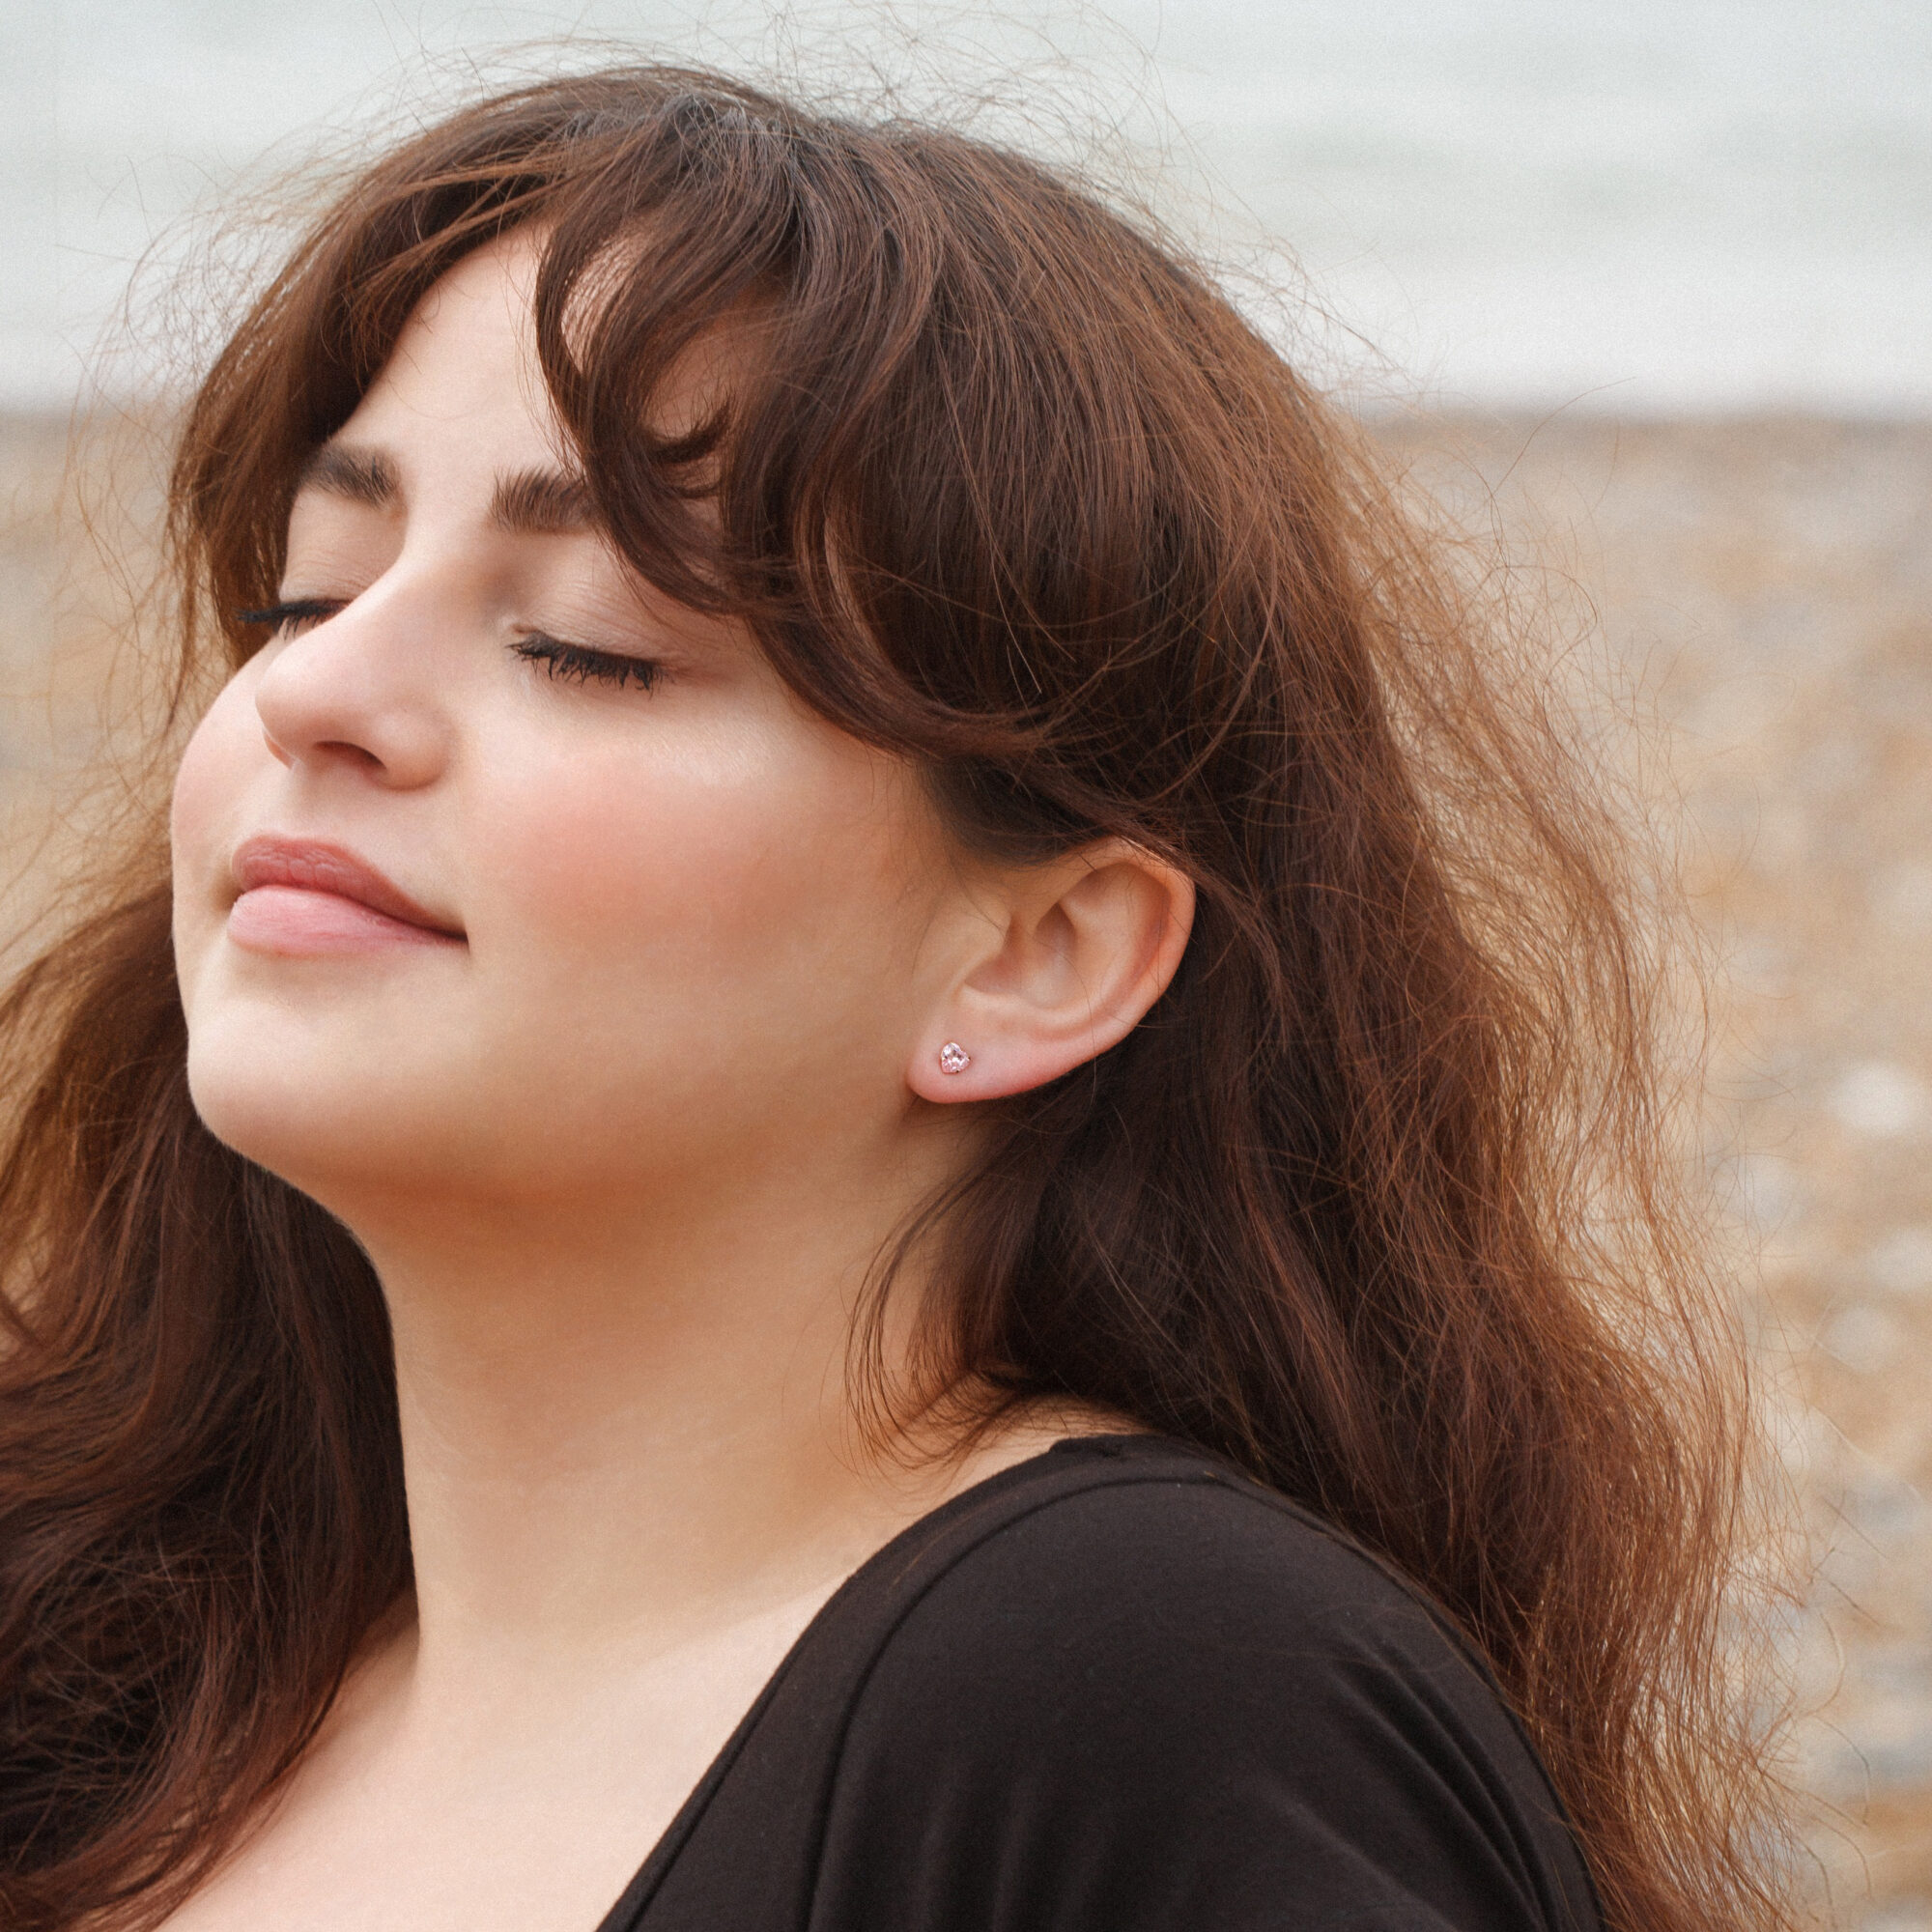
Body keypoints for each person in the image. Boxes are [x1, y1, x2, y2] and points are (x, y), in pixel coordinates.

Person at [0, 64, 1786, 1932]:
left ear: (1039, 955)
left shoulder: (1150, 1706)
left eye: (587, 647)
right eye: (310, 594)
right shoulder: (108, 1661)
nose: (310, 695)